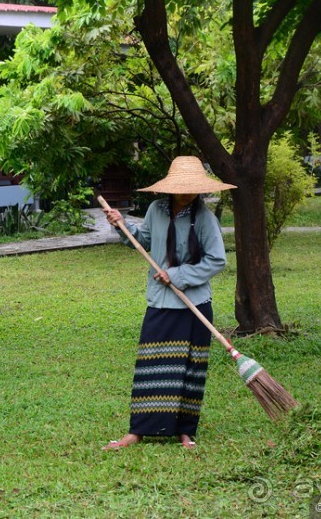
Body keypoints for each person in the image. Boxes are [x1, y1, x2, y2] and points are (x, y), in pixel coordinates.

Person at [101, 156, 235, 451]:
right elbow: (144, 239)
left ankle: (185, 432)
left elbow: (217, 259)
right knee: (152, 367)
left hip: (193, 305)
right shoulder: (155, 210)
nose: (187, 193)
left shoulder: (205, 219)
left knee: (189, 370)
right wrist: (122, 226)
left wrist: (177, 274)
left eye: (192, 188)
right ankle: (138, 431)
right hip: (160, 302)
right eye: (182, 188)